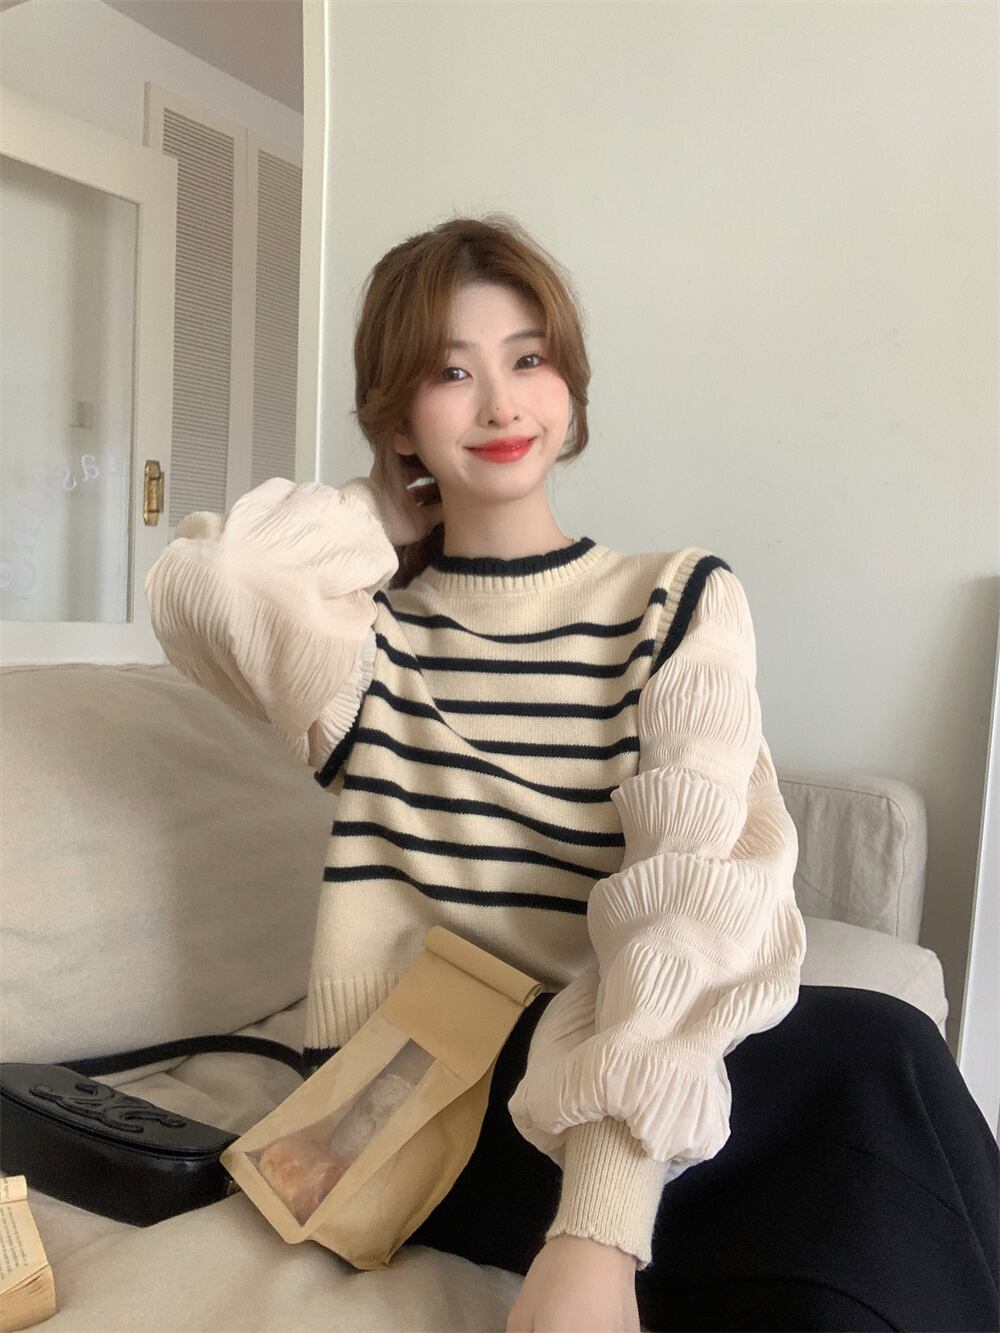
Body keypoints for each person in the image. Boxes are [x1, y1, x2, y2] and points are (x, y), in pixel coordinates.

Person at [145, 214, 999, 1333]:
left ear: (570, 382)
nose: (501, 404)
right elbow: (211, 581)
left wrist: (599, 1222)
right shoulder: (363, 646)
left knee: (870, 1111)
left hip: (600, 1057)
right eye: (451, 373)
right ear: (397, 413)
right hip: (415, 1099)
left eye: (529, 358)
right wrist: (382, 505)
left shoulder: (674, 600)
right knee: (872, 1074)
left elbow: (687, 899)